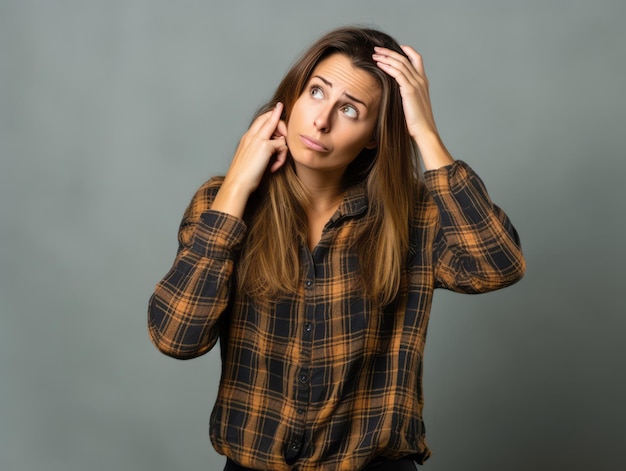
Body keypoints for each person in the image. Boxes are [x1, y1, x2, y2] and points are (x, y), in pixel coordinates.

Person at [147, 26, 525, 471]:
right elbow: (176, 337)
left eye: (349, 109)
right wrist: (234, 192)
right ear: (293, 95)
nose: (321, 121)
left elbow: (497, 264)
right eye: (316, 92)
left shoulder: (414, 216)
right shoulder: (221, 204)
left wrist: (423, 131)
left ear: (374, 135)